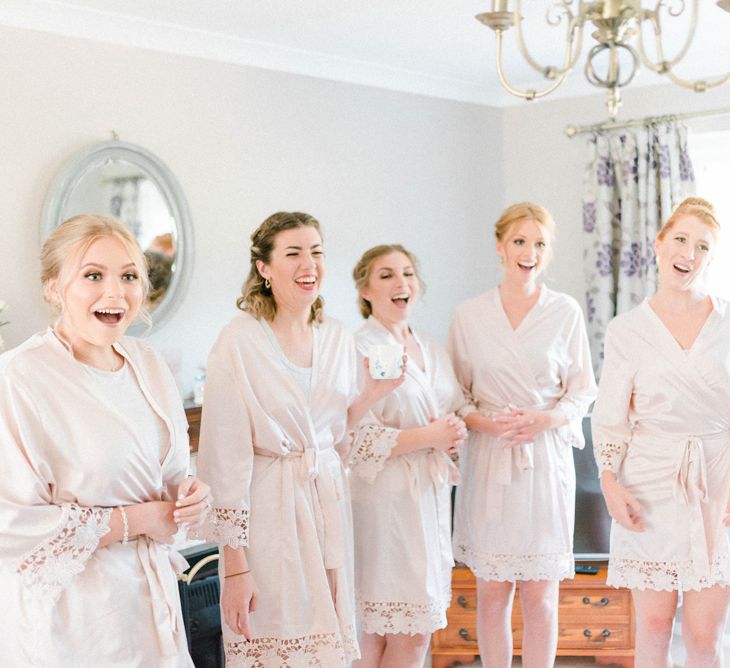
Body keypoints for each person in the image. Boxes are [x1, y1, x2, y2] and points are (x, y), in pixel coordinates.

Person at [193, 212, 402, 667]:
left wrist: (371, 395)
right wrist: (235, 567)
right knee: (278, 642)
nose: (309, 263)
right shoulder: (239, 342)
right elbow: (223, 461)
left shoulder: (336, 337)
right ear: (264, 268)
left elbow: (336, 438)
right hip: (268, 515)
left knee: (328, 650)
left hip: (327, 504)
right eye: (293, 253)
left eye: (317, 251)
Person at [0, 214, 210, 667]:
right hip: (77, 621)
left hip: (151, 604)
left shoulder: (148, 363)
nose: (115, 292)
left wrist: (191, 495)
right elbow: (9, 521)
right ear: (54, 287)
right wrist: (136, 521)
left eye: (129, 276)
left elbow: (171, 478)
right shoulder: (20, 377)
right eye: (93, 275)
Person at [448, 202, 597, 667]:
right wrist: (488, 424)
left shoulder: (565, 312)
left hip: (545, 462)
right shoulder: (470, 316)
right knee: (493, 594)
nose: (529, 252)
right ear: (500, 246)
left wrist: (543, 420)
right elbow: (455, 396)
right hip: (492, 459)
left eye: (539, 244)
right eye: (519, 241)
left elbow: (583, 392)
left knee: (542, 597)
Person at [593, 197, 730, 667]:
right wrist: (610, 481)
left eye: (702, 247)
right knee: (652, 629)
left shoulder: (727, 322)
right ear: (658, 244)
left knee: (703, 636)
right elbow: (609, 416)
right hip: (647, 484)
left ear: (712, 257)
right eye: (681, 240)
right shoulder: (626, 330)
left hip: (718, 484)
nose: (688, 255)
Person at [349, 245, 466, 668]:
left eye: (408, 273)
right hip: (386, 502)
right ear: (364, 289)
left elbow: (448, 408)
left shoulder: (430, 347)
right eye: (386, 275)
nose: (401, 283)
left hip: (428, 495)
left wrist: (451, 435)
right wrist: (430, 435)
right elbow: (356, 440)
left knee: (411, 630)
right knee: (391, 631)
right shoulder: (360, 347)